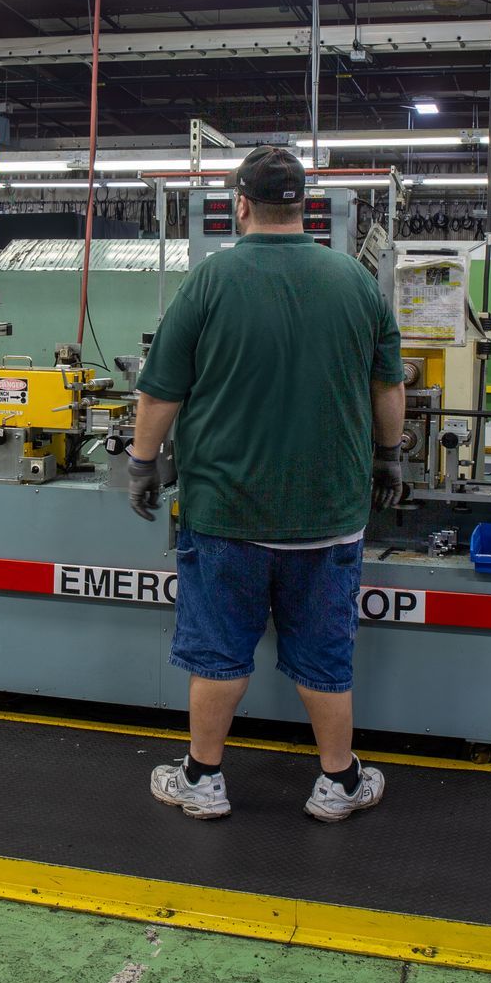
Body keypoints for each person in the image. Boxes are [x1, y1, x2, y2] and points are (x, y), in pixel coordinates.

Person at [126, 147, 407, 822]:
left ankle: (202, 778)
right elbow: (389, 386)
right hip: (328, 512)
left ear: (241, 204)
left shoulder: (210, 280)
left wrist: (143, 461)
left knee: (219, 653)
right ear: (306, 205)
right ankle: (337, 783)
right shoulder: (354, 280)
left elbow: (160, 391)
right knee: (324, 656)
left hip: (226, 511)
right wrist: (390, 455)